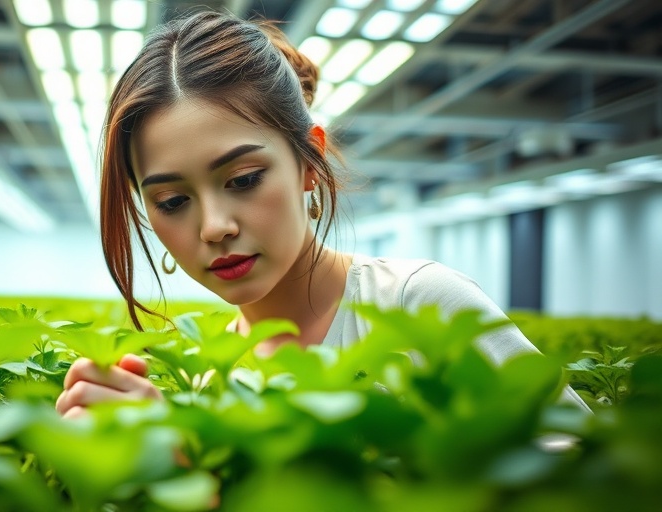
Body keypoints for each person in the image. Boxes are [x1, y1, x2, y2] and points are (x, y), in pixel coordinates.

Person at [55, 10, 589, 418]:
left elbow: (599, 481)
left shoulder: (418, 304)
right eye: (172, 202)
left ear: (309, 163)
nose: (215, 226)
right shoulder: (210, 375)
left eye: (242, 180)